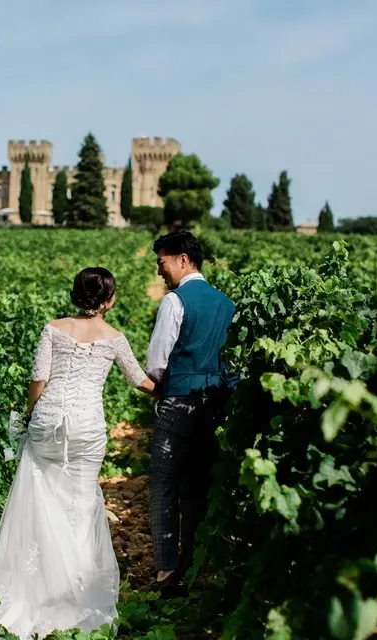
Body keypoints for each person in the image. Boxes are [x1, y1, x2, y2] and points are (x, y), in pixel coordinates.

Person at [0, 267, 155, 639]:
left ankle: (36, 589)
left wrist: (30, 415)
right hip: (88, 426)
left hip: (49, 421)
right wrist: (171, 391)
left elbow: (38, 379)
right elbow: (139, 380)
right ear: (108, 300)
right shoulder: (114, 338)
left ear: (76, 295)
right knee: (80, 503)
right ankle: (76, 592)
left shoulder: (53, 328)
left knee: (40, 496)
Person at [144, 229, 236, 595]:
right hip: (214, 401)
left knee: (164, 483)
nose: (159, 271)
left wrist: (162, 385)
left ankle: (167, 572)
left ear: (182, 259)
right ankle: (194, 567)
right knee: (198, 485)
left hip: (179, 399)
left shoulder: (174, 301)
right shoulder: (225, 303)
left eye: (162, 263)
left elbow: (156, 364)